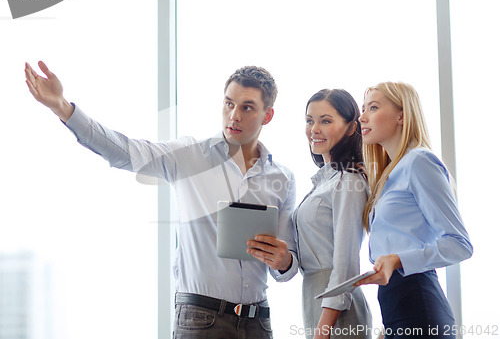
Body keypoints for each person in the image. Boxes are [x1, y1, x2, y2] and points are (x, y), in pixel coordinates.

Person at [24, 61, 299, 339]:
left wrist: (284, 260)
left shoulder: (283, 178)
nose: (234, 115)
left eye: (247, 107)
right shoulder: (190, 156)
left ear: (268, 115)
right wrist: (62, 107)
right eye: (229, 103)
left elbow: (287, 269)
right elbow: (125, 151)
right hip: (202, 320)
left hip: (259, 323)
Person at [355, 82, 473, 338]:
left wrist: (397, 259)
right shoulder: (389, 176)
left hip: (419, 303)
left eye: (373, 107)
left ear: (401, 115)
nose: (362, 117)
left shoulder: (419, 161)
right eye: (363, 109)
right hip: (395, 305)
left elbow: (460, 244)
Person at [293, 89, 372, 339]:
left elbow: (346, 264)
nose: (314, 129)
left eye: (325, 121)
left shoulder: (348, 180)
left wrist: (323, 329)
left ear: (351, 127)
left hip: (337, 309)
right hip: (315, 297)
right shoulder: (323, 182)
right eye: (309, 120)